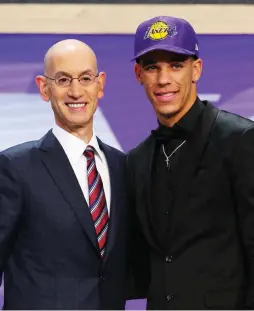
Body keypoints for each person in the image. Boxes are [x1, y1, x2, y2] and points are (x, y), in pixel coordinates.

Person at [127, 15, 254, 309]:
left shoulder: (240, 140)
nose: (163, 79)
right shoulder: (137, 160)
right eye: (152, 67)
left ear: (196, 69)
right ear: (138, 74)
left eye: (175, 65)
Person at [0, 39, 129, 310]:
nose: (75, 91)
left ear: (100, 84)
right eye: (62, 80)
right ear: (43, 88)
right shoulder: (15, 167)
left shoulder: (122, 166)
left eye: (85, 78)